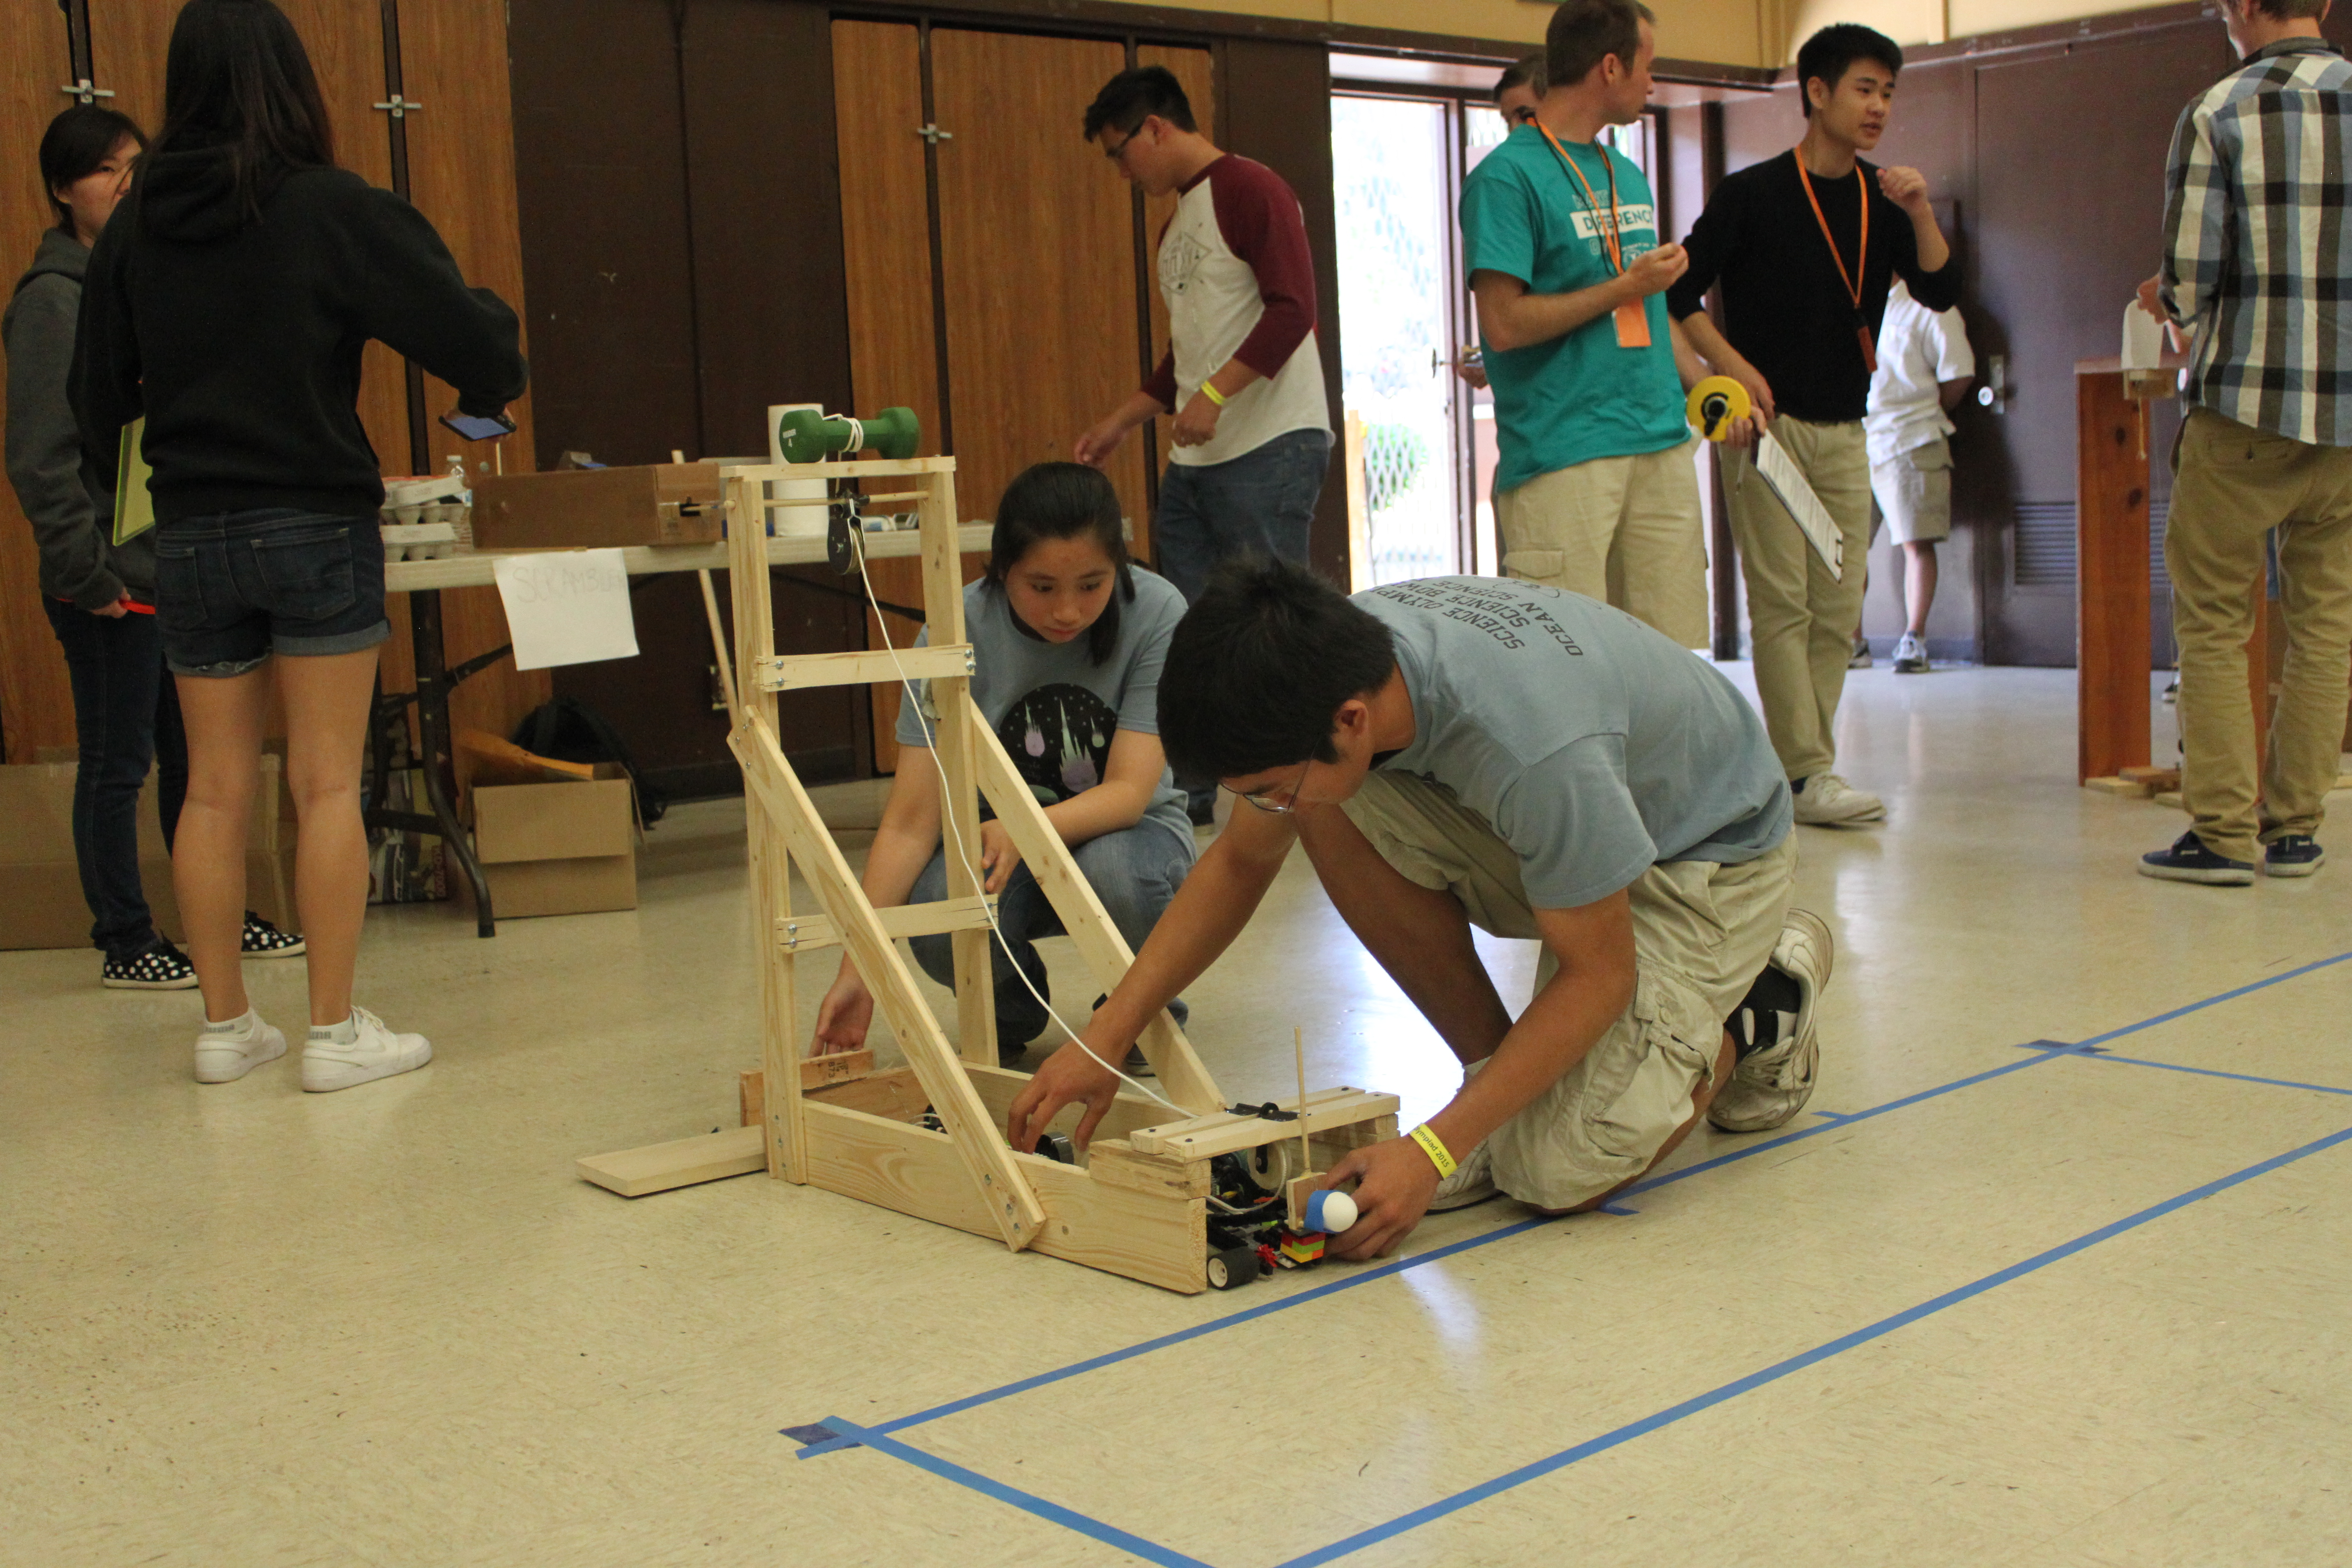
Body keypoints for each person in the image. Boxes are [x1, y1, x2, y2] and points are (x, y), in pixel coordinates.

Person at [1006, 563, 1830, 1262]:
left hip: (1705, 854)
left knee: (1559, 1169)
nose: (1261, 806)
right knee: (1320, 804)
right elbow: (1241, 860)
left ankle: (1760, 1003)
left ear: (1351, 721)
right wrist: (1106, 1037)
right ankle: (1489, 1071)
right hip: (1590, 826)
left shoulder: (1530, 744)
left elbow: (1599, 972)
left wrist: (1434, 1149)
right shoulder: (1323, 669)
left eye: (1263, 786)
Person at [71, 0, 525, 1088]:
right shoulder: (329, 208)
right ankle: (331, 1034)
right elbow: (475, 340)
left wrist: (142, 474)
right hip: (314, 522)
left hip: (188, 533)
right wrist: (483, 388)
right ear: (293, 79)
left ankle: (226, 1028)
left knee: (212, 790)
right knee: (326, 786)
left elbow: (93, 397)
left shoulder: (136, 223)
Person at [5, 104, 302, 990]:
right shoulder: (53, 302)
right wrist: (84, 570)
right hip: (106, 581)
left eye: (137, 164)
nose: (125, 181)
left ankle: (214, 916)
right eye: (106, 169)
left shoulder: (134, 281)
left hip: (167, 567)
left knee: (199, 763)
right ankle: (125, 933)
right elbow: (40, 459)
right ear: (65, 190)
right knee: (116, 762)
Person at [1667, 24, 1959, 827]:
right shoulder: (1751, 193)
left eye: (1889, 93)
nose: (1879, 107)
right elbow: (1678, 294)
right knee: (1783, 604)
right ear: (1817, 92)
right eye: (1864, 89)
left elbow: (1939, 290)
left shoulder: (1880, 199)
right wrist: (1730, 368)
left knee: (1839, 606)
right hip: (1767, 430)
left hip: (1847, 427)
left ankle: (1804, 768)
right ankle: (1804, 773)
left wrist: (1921, 209)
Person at [810, 463, 1197, 1067]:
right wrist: (860, 970)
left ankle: (1140, 1010)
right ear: (1000, 573)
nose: (1068, 612)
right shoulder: (958, 624)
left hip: (1128, 837)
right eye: (1042, 588)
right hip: (997, 853)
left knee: (1121, 871)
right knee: (939, 907)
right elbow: (912, 823)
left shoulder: (1156, 610)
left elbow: (1126, 793)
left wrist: (1023, 828)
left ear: (1118, 568)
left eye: (1092, 585)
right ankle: (1007, 1011)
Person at [2134, 0, 2352, 885]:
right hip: (2347, 421)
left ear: (2240, 8)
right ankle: (2295, 828)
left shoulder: (2217, 110)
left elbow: (2189, 278)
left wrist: (2164, 295)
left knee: (2216, 621)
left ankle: (2222, 833)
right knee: (2326, 624)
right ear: (2323, 4)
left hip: (2243, 409)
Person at [1461, 0, 1709, 646]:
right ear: (1609, 67)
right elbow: (1505, 324)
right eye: (1647, 65)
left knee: (1669, 658)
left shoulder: (1624, 171)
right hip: (1564, 453)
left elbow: (1644, 308)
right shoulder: (1506, 177)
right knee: (1569, 661)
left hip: (1658, 440)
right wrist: (1623, 286)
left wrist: (1700, 385)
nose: (1653, 83)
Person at [1073, 67, 1334, 608]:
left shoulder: (1252, 188)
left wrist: (1213, 396)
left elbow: (1294, 311)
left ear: (1155, 129)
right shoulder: (1173, 230)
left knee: (1272, 622)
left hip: (1270, 444)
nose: (1121, 172)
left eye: (1119, 153)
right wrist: (1117, 424)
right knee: (1196, 622)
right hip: (1197, 462)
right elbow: (1188, 356)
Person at [1864, 276, 1973, 674]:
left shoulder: (1930, 306)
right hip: (1858, 436)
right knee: (1845, 547)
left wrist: (1929, 410)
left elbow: (1959, 372)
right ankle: (1852, 641)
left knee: (1916, 542)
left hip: (1913, 436)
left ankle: (1914, 639)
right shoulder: (1857, 302)